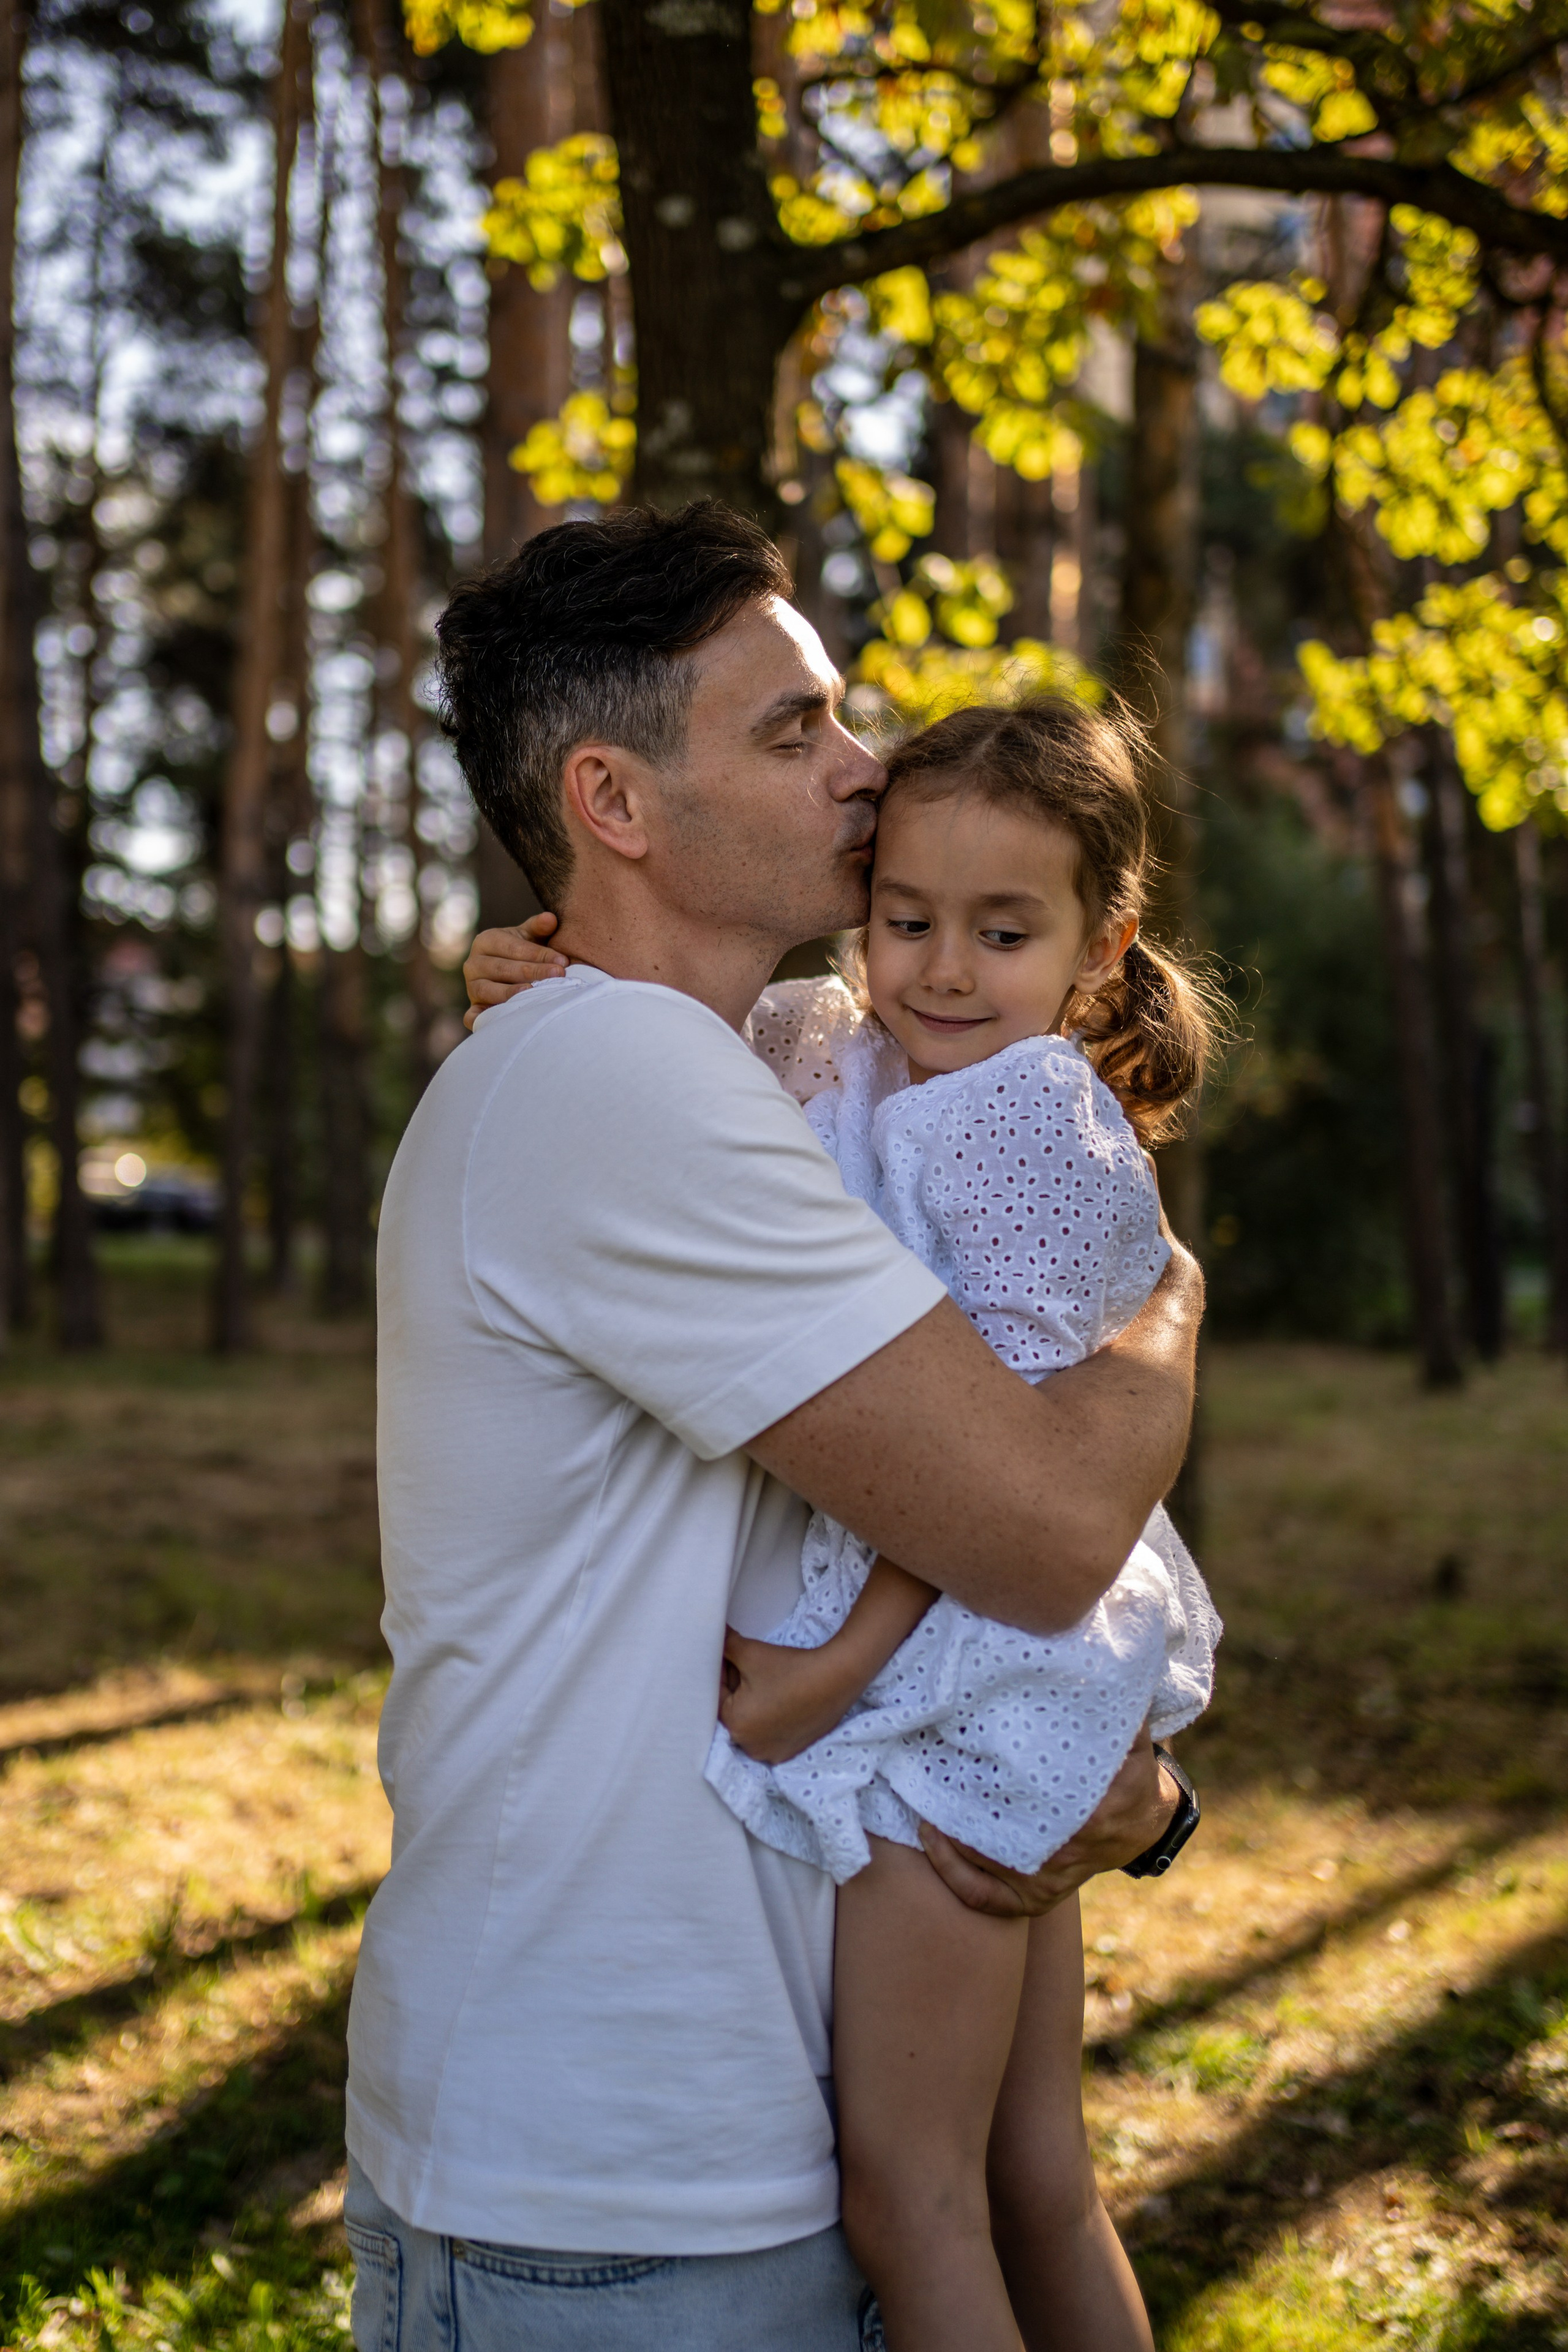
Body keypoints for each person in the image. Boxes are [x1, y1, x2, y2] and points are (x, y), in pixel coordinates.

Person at [349, 499, 1202, 2352]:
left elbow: (986, 1503)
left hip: (712, 2147)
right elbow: (1052, 1530)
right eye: (792, 729)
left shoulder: (774, 1074)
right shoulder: (623, 1076)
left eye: (847, 712)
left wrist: (1127, 1791)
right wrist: (1172, 1307)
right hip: (609, 2208)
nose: (864, 764)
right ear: (617, 803)